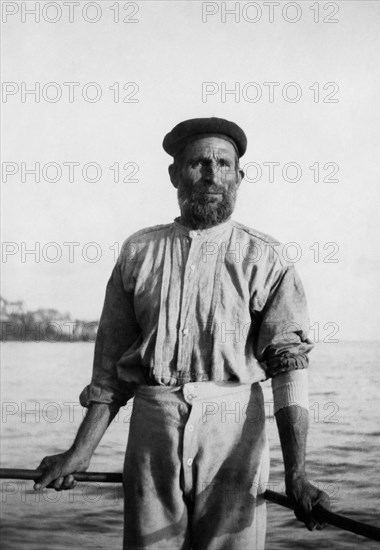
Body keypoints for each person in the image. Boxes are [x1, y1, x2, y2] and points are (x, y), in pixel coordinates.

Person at [34, 117, 330, 550]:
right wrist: (81, 452)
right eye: (198, 163)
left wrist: (297, 474)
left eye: (224, 164)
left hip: (235, 433)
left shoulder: (265, 258)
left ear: (239, 177)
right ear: (175, 174)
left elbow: (289, 368)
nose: (212, 174)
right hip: (152, 429)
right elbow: (110, 372)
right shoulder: (138, 252)